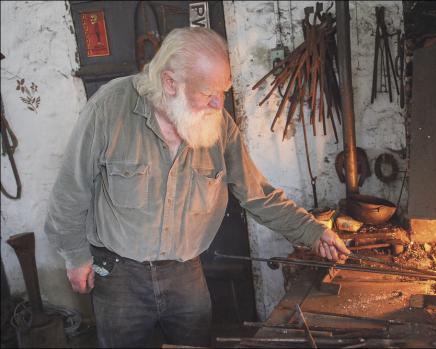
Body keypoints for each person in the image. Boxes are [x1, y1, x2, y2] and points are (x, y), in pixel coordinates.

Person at [44, 27, 350, 348]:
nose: (219, 104)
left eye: (224, 90)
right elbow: (70, 191)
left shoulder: (219, 126)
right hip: (121, 274)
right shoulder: (109, 109)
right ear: (170, 83)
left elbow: (257, 193)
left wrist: (313, 233)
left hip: (185, 272)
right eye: (208, 93)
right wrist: (76, 258)